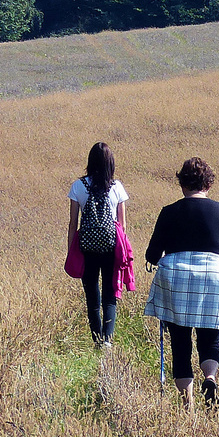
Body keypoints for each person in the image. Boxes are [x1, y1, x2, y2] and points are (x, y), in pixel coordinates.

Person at [143, 157, 219, 410]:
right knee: (209, 339)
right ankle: (210, 378)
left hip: (176, 281)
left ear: (182, 184)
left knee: (180, 343)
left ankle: (187, 406)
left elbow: (151, 255)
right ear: (208, 184)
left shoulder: (169, 212)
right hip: (215, 280)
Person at [69, 142, 129, 348]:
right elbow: (122, 225)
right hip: (111, 246)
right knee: (110, 293)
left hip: (87, 246)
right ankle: (108, 341)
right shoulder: (117, 187)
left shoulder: (78, 186)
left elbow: (73, 223)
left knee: (92, 294)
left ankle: (97, 339)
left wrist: (71, 249)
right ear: (110, 163)